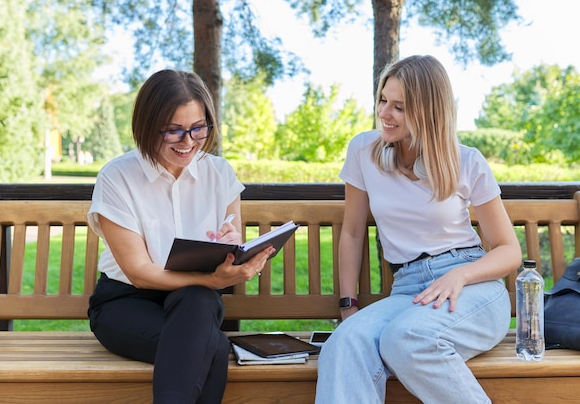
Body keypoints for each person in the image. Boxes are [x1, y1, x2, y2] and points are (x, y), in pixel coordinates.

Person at [314, 55, 522, 404]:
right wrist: (348, 306)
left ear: (427, 111)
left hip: (471, 287)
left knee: (407, 339)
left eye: (398, 106)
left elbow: (508, 251)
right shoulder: (364, 151)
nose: (384, 112)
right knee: (344, 343)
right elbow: (351, 233)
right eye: (382, 100)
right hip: (408, 290)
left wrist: (460, 276)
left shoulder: (466, 161)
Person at [87, 69, 274, 404]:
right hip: (126, 303)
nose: (188, 142)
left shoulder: (219, 174)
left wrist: (233, 249)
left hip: (196, 304)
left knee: (198, 303)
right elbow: (138, 272)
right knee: (212, 345)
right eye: (174, 131)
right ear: (147, 126)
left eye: (198, 128)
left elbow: (233, 240)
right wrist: (214, 281)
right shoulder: (117, 177)